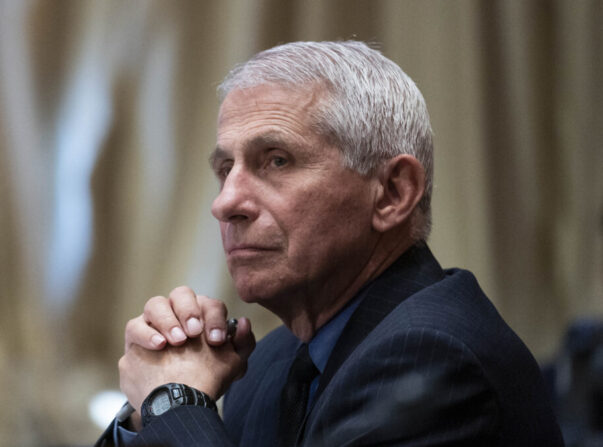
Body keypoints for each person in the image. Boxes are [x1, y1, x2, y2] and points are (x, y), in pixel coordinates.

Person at [96, 41, 563, 446]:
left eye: (276, 161)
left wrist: (175, 405)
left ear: (393, 193)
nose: (226, 202)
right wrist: (144, 416)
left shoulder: (433, 359)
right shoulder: (267, 364)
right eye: (225, 169)